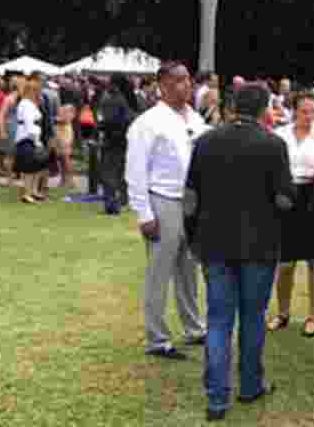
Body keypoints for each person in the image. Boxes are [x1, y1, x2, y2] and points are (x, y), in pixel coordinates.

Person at [184, 83, 294, 422]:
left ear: (233, 107)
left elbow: (190, 198)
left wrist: (193, 239)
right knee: (252, 318)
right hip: (259, 247)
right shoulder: (273, 145)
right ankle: (250, 385)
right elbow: (285, 199)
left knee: (218, 321)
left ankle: (217, 397)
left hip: (215, 245)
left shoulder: (205, 141)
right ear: (263, 110)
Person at [125, 61, 208, 360]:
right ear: (161, 85)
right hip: (162, 199)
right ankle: (157, 337)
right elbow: (135, 171)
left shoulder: (196, 118)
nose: (185, 85)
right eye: (177, 81)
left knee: (188, 270)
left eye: (187, 80)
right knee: (159, 272)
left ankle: (194, 327)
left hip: (190, 202)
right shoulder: (148, 122)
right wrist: (144, 213)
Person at [269, 93, 314, 338]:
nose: (309, 116)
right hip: (287, 197)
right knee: (284, 263)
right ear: (294, 111)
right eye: (305, 111)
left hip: (313, 197)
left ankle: (312, 315)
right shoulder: (280, 134)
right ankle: (283, 312)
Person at [100, 75, 136, 215]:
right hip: (124, 140)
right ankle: (120, 201)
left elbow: (109, 121)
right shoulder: (126, 99)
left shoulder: (111, 100)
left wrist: (102, 128)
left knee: (109, 173)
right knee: (120, 172)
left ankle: (111, 204)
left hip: (113, 140)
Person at [14, 76, 49, 203]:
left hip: (30, 137)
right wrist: (36, 141)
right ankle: (27, 193)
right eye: (37, 91)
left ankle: (33, 191)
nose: (39, 93)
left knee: (36, 166)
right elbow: (29, 125)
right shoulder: (26, 104)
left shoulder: (28, 103)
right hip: (28, 138)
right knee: (29, 168)